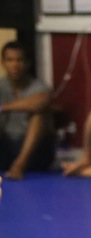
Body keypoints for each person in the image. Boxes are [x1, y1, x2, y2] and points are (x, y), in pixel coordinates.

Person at [0, 41, 54, 180]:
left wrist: (4, 107)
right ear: (3, 63)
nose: (15, 65)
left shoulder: (38, 87)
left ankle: (19, 165)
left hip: (34, 151)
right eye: (10, 60)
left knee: (39, 114)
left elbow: (41, 102)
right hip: (6, 146)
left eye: (19, 60)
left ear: (27, 63)